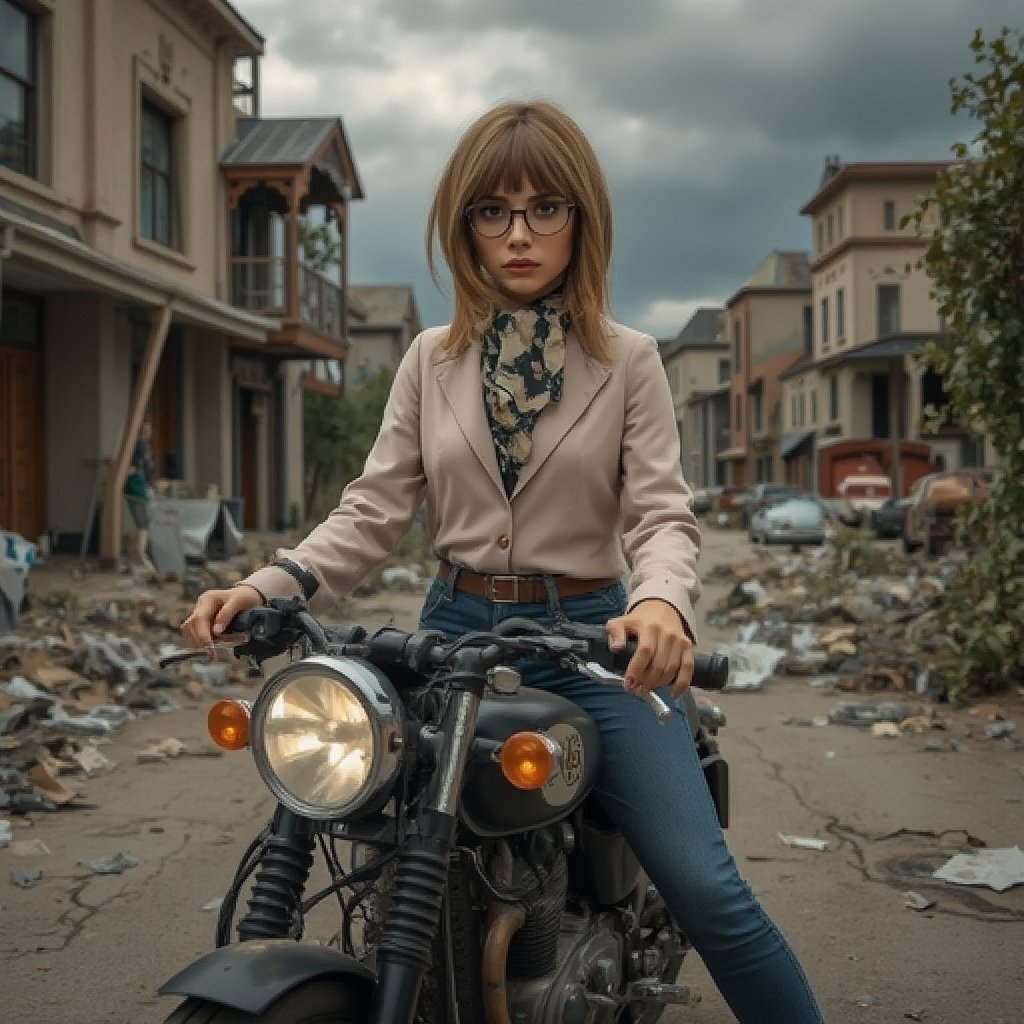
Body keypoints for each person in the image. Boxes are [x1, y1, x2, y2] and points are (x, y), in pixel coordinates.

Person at [181, 99, 824, 1022]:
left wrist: (663, 608)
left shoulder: (631, 360)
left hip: (595, 640)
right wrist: (267, 584)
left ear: (582, 220)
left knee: (707, 887)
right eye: (493, 211)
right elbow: (373, 508)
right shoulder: (428, 360)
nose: (518, 234)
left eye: (544, 209)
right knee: (372, 823)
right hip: (450, 628)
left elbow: (660, 515)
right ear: (465, 227)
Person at [124, 418, 156, 571]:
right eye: (145, 431)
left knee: (142, 524)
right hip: (136, 490)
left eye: (149, 431)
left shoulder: (143, 447)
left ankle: (138, 557)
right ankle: (140, 557)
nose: (147, 434)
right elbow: (135, 468)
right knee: (141, 524)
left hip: (141, 489)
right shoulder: (137, 447)